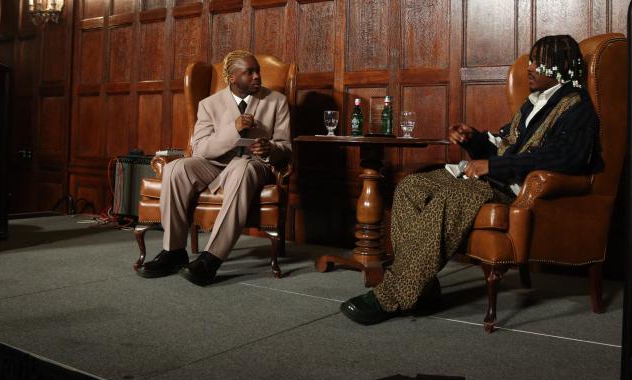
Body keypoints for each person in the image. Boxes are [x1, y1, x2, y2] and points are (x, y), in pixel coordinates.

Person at [340, 35, 602, 324]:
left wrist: (491, 166)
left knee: (452, 196)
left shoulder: (577, 108)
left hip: (515, 191)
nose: (529, 67)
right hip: (495, 180)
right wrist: (473, 139)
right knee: (411, 187)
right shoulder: (533, 105)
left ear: (559, 67)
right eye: (530, 61)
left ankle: (391, 295)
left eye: (538, 63)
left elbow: (565, 159)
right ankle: (422, 288)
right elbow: (505, 146)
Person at [137, 50, 291, 286]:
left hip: (253, 166)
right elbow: (200, 149)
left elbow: (286, 146)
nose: (257, 76)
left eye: (257, 71)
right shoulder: (209, 105)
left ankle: (212, 257)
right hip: (214, 164)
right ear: (231, 77)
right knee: (175, 169)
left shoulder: (277, 102)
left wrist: (270, 149)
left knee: (241, 168)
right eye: (249, 72)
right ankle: (174, 251)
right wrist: (234, 129)